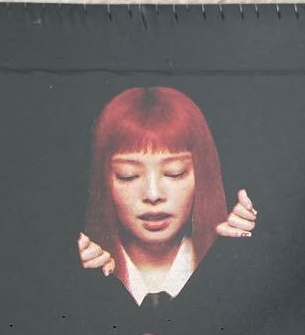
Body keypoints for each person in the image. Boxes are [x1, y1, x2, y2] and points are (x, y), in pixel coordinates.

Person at [76, 86, 257, 304]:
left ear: (202, 175)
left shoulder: (233, 269)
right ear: (103, 182)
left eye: (174, 173)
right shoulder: (86, 271)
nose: (153, 195)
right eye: (128, 175)